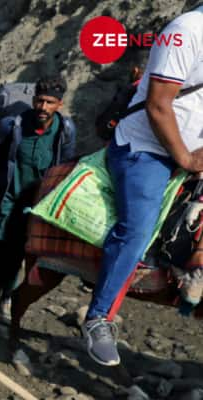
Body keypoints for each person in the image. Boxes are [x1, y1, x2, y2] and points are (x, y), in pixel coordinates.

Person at [81, 6, 203, 367]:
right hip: (147, 147)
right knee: (137, 228)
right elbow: (159, 104)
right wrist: (184, 158)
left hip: (194, 147)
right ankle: (98, 318)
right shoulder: (185, 30)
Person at [0, 76, 76, 317]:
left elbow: (66, 167)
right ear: (33, 99)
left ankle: (5, 296)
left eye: (50, 103)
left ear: (59, 104)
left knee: (22, 251)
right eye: (40, 101)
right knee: (4, 248)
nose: (43, 107)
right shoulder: (13, 125)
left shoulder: (65, 130)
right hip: (9, 197)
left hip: (37, 204)